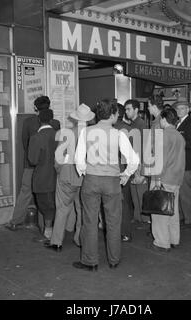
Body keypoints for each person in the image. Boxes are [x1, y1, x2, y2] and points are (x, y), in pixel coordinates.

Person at [73, 99, 139, 271]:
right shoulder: (119, 134)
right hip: (112, 182)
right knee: (113, 222)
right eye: (117, 113)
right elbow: (134, 160)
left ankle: (90, 261)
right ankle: (114, 260)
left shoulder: (86, 131)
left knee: (89, 222)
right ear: (111, 115)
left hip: (91, 181)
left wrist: (87, 172)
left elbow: (79, 160)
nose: (118, 115)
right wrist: (125, 175)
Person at [46, 104, 95, 252]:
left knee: (62, 208)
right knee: (82, 210)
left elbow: (58, 158)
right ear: (88, 120)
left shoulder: (66, 133)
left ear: (75, 119)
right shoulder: (94, 136)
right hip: (85, 177)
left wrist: (59, 171)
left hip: (66, 175)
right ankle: (79, 239)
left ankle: (56, 242)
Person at [6, 96, 60, 231]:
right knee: (48, 194)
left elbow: (26, 143)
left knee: (26, 191)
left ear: (35, 107)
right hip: (50, 166)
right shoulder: (56, 123)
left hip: (31, 165)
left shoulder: (28, 122)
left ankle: (15, 221)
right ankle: (45, 227)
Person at [149, 108, 185, 252]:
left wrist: (156, 179)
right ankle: (174, 239)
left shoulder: (163, 135)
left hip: (163, 177)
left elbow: (160, 160)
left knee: (159, 212)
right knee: (173, 210)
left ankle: (162, 242)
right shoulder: (179, 136)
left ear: (163, 119)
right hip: (176, 178)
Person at [28, 109, 58, 242]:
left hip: (42, 177)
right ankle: (53, 230)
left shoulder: (36, 137)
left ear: (39, 120)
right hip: (58, 176)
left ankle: (48, 232)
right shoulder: (59, 135)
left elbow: (33, 160)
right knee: (54, 204)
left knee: (45, 205)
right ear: (52, 120)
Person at [174, 98, 191, 228]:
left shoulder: (190, 123)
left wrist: (177, 142)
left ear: (187, 110)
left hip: (187, 164)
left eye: (182, 108)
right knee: (181, 193)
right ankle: (183, 217)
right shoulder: (178, 123)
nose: (179, 110)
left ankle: (190, 220)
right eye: (178, 108)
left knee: (187, 193)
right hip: (179, 163)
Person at [124, 99, 149, 226]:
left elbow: (144, 145)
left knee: (140, 191)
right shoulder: (132, 124)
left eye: (129, 109)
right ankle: (138, 216)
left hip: (138, 161)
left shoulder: (141, 124)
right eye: (126, 109)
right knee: (134, 190)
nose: (126, 111)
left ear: (136, 110)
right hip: (133, 161)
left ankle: (144, 218)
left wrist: (141, 166)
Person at [114, 103, 134, 242]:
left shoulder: (110, 130)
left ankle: (117, 231)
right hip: (125, 169)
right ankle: (125, 232)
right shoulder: (128, 129)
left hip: (114, 170)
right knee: (124, 202)